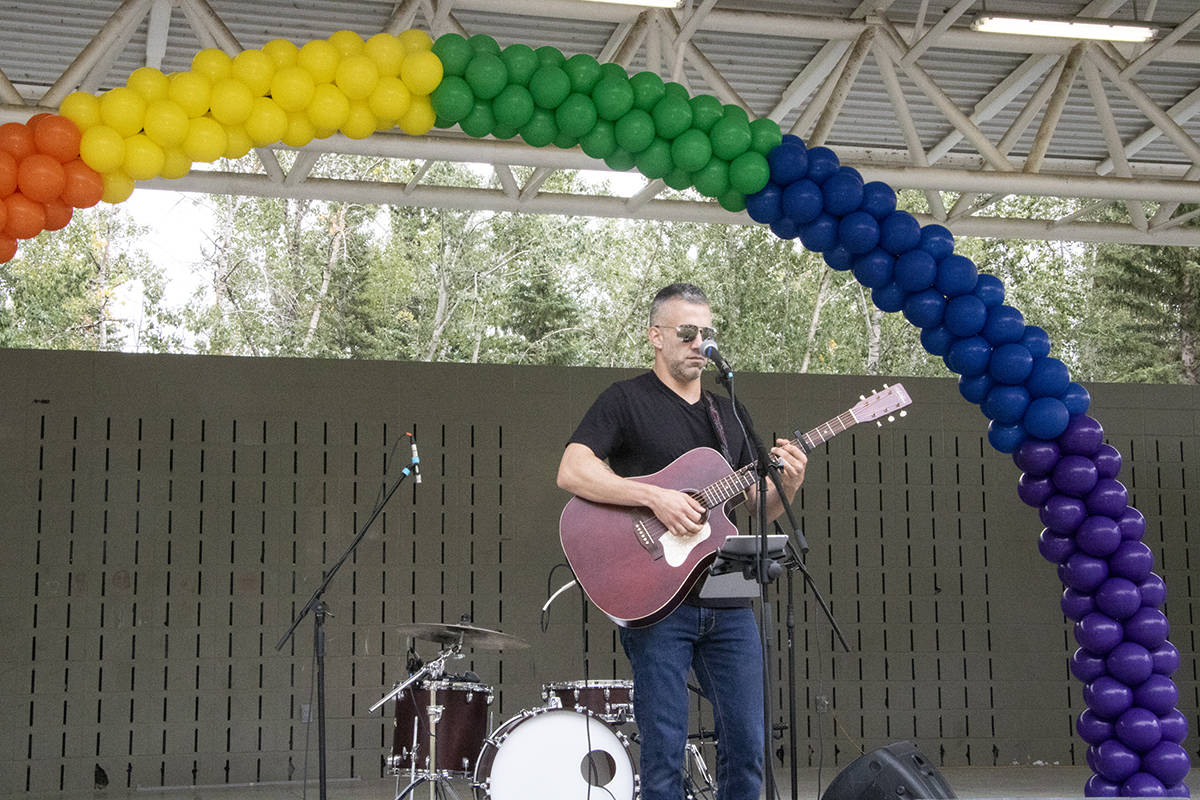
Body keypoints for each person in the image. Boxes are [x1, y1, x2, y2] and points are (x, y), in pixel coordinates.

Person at [556, 282, 808, 800]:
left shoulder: (728, 413)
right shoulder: (625, 400)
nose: (701, 343)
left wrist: (789, 485)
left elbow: (756, 508)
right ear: (656, 337)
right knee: (664, 752)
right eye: (688, 333)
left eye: (707, 334)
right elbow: (572, 470)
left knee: (748, 744)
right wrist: (654, 498)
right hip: (656, 602)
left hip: (726, 594)